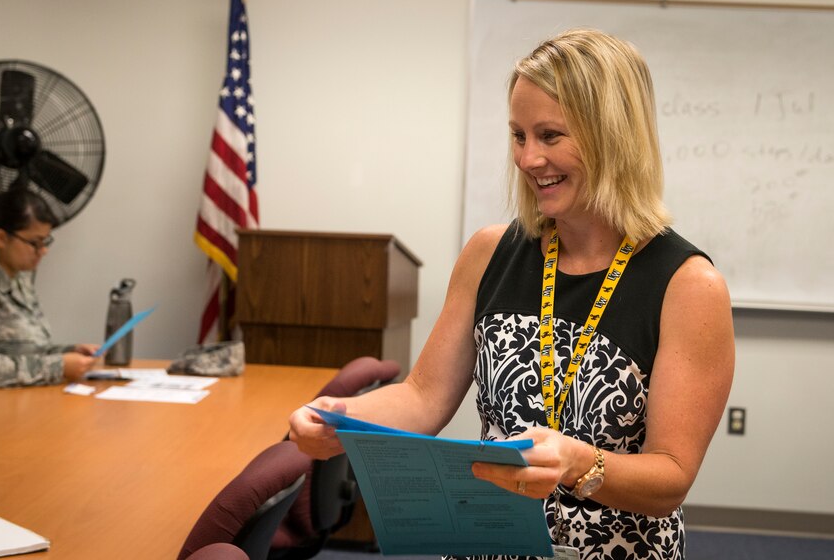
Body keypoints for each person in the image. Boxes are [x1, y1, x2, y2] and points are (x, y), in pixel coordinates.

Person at [289, 28, 735, 559]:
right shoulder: (489, 253)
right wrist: (341, 416)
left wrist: (578, 463)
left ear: (612, 137)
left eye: (550, 136)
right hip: (488, 543)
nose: (526, 159)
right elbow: (422, 398)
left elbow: (672, 478)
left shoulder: (686, 285)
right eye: (518, 136)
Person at [0, 188, 98, 402]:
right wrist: (58, 366)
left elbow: (25, 350)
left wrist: (68, 351)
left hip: (21, 405)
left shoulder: (18, 281)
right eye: (34, 243)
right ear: (0, 238)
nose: (43, 251)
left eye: (46, 242)